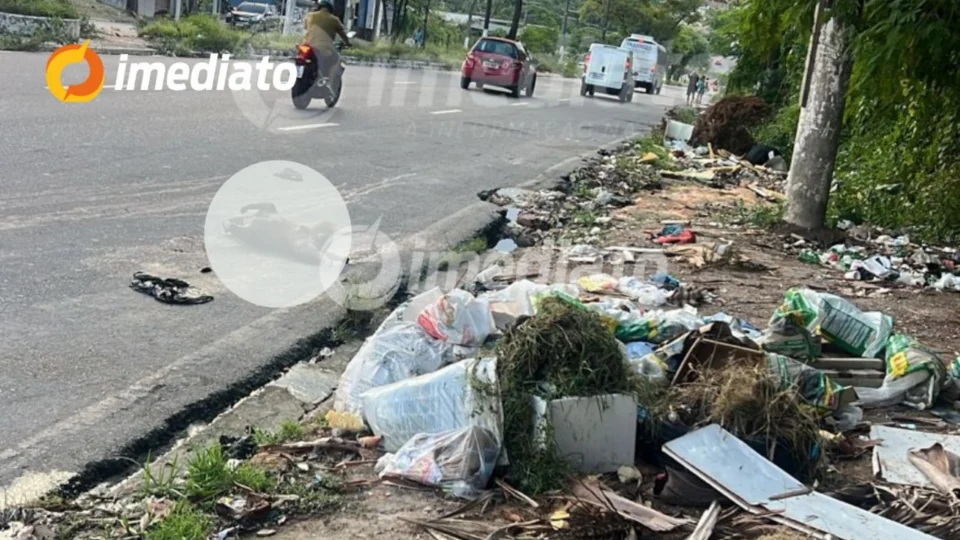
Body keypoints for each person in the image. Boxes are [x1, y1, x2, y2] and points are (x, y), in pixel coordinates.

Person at [304, 0, 352, 83]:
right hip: (324, 48)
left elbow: (305, 27)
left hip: (307, 46)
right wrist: (348, 43)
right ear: (331, 9)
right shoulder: (334, 19)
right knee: (336, 59)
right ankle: (329, 81)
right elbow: (343, 34)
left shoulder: (309, 16)